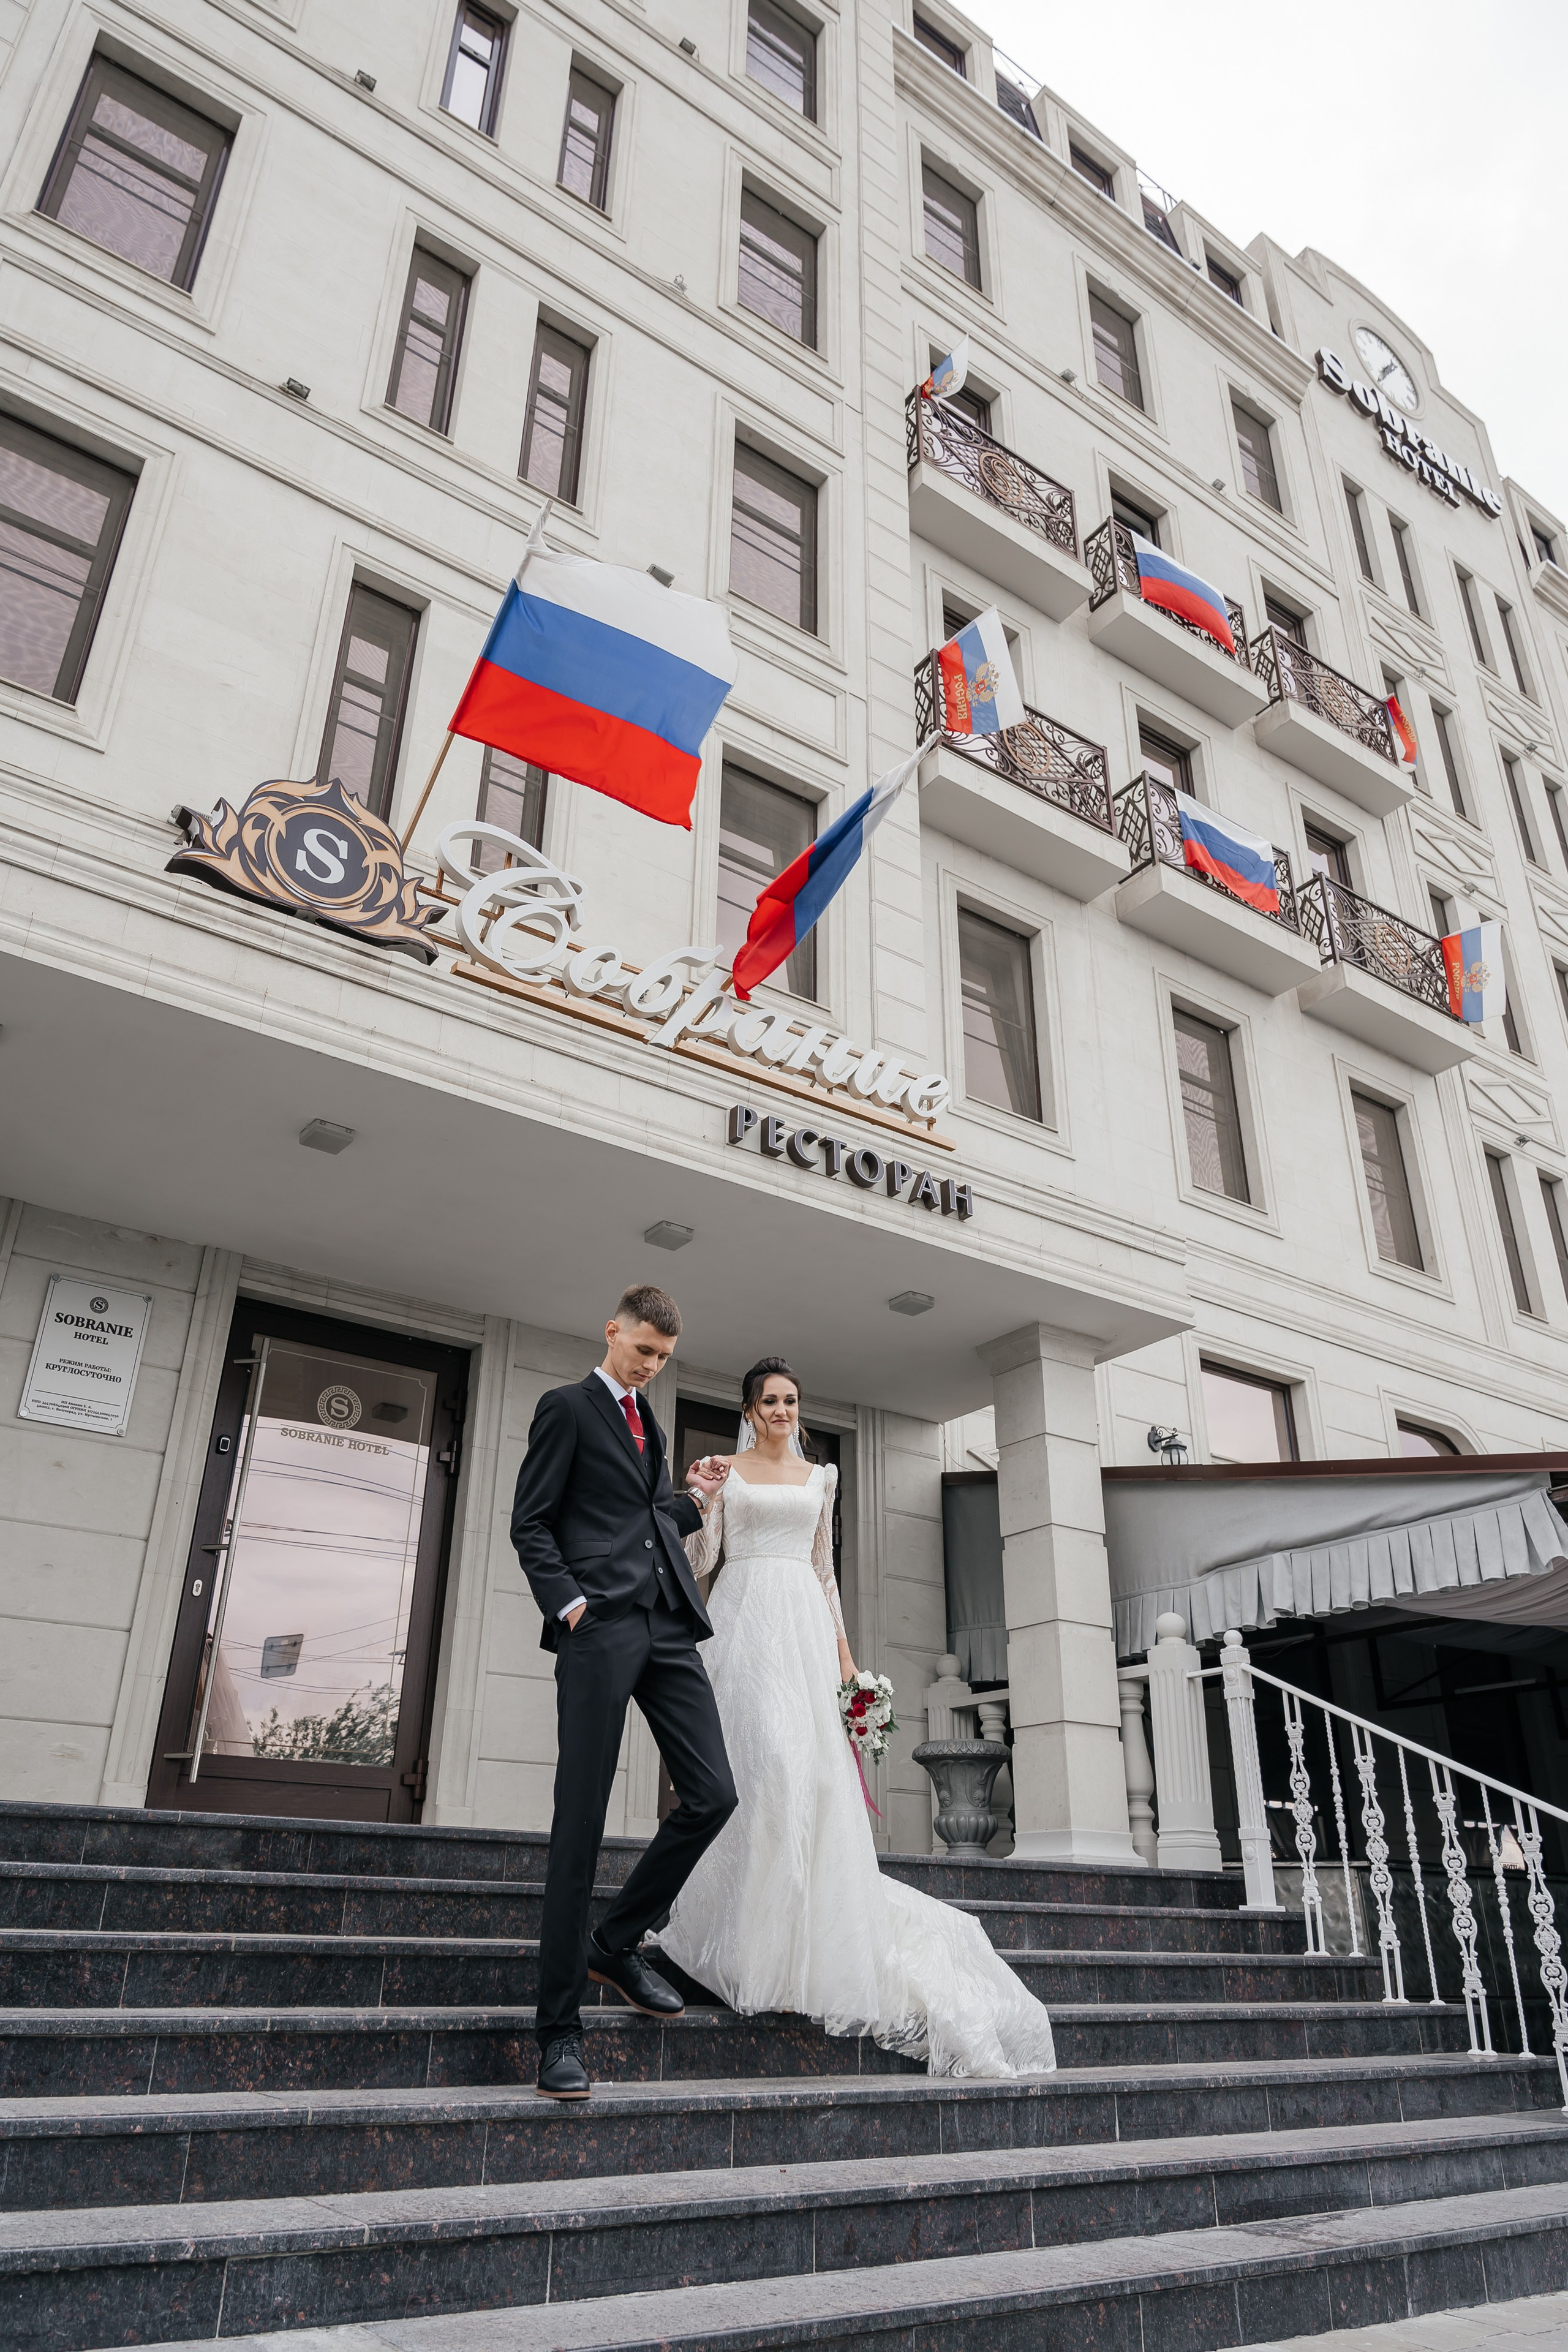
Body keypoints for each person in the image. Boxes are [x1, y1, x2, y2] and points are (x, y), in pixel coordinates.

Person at [657, 1357, 1055, 2079]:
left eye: (791, 1400)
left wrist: (847, 1667)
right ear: (749, 1410)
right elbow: (699, 1558)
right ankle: (742, 1943)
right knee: (760, 1771)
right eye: (769, 1401)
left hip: (805, 1633)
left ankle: (799, 1946)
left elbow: (822, 1571)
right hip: (743, 1629)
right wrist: (699, 1498)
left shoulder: (823, 1479)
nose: (782, 1410)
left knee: (805, 1780)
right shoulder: (725, 1469)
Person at [510, 1283, 734, 2099]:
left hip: (669, 1624)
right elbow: (531, 1521)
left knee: (713, 1794)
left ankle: (615, 1940)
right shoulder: (566, 1408)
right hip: (598, 1628)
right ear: (613, 1332)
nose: (650, 1367)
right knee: (582, 1822)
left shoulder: (652, 1424)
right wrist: (567, 1604)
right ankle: (558, 2034)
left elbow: (645, 1519)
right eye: (643, 1350)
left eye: (663, 1359)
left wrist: (694, 1496)